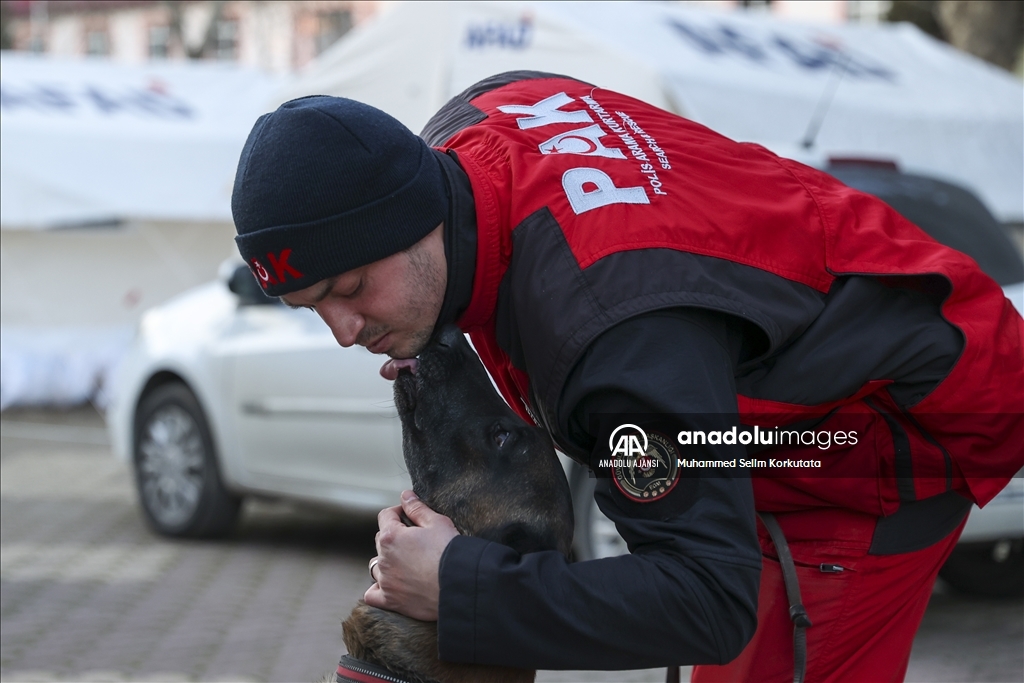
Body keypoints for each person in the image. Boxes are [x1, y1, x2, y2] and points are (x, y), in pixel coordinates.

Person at [230, 72, 1023, 680]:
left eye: (349, 288)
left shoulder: (614, 336)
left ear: (412, 217)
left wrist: (462, 585)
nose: (343, 331)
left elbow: (711, 601)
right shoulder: (475, 121)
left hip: (875, 435)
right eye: (312, 307)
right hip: (777, 360)